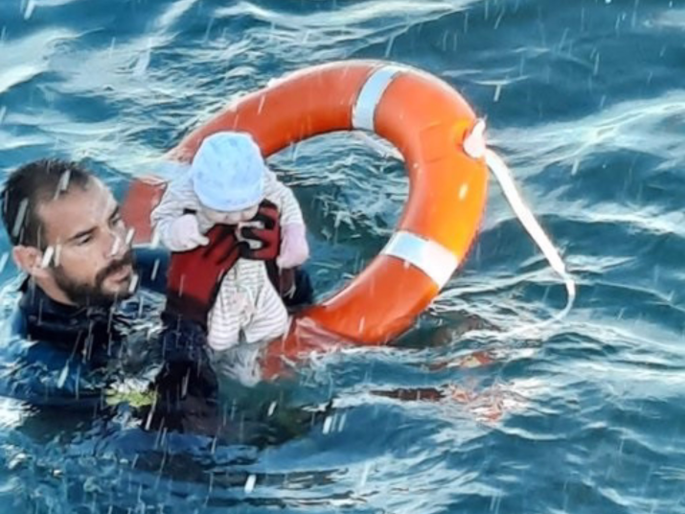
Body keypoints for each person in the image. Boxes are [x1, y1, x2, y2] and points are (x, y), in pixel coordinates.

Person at [0, 158, 320, 444]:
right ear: (33, 261)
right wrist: (187, 313)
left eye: (114, 221)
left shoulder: (142, 270)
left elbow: (287, 310)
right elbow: (182, 429)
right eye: (85, 239)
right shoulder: (44, 370)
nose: (117, 246)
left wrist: (279, 275)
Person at [151, 131, 310, 352]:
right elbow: (162, 218)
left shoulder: (265, 184)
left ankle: (273, 350)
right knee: (219, 339)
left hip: (257, 275)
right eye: (223, 212)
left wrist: (294, 236)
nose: (235, 218)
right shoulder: (185, 192)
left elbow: (287, 204)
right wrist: (178, 230)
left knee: (273, 322)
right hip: (215, 285)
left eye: (246, 209)